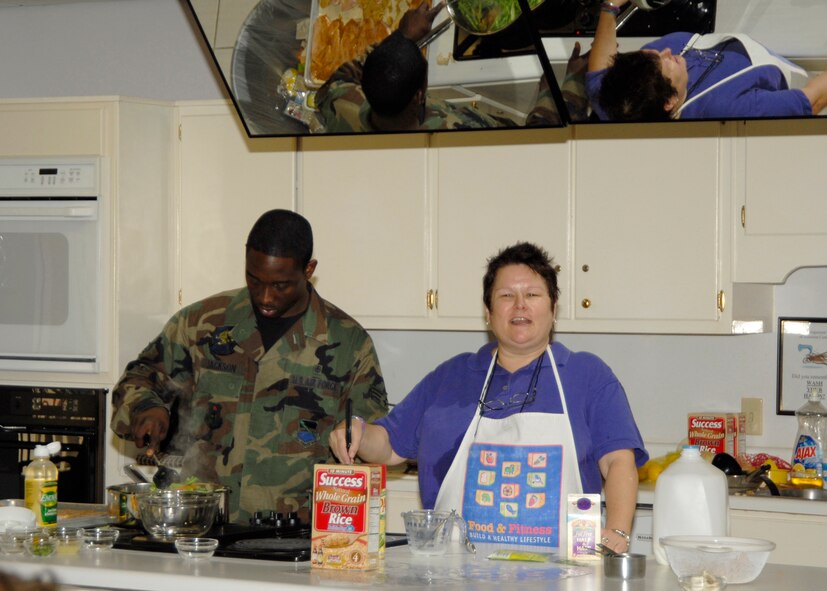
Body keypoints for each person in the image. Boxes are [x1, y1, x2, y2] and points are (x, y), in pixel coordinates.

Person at [329, 242, 647, 554]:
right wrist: (356, 431)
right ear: (488, 312)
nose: (520, 305)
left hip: (561, 573)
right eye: (506, 296)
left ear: (553, 308)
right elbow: (387, 445)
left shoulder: (587, 376)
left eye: (533, 295)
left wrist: (617, 532)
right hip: (454, 572)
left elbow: (619, 462)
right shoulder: (451, 377)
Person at [110, 209, 389, 523]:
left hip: (296, 540)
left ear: (308, 269)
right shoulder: (201, 324)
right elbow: (136, 380)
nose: (265, 297)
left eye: (281, 285)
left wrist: (358, 439)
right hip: (200, 527)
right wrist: (146, 408)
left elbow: (378, 444)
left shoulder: (348, 345)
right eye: (254, 281)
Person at [314, 2, 589, 132]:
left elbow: (332, 84)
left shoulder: (342, 104)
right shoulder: (459, 136)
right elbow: (539, 143)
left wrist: (403, 38)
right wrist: (565, 91)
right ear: (419, 95)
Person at [586, 0, 827, 121]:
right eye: (665, 62)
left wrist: (610, 6)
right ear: (670, 101)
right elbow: (811, 100)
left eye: (654, 55)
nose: (666, 51)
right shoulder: (723, 108)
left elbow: (597, 75)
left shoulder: (619, 100)